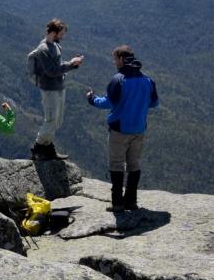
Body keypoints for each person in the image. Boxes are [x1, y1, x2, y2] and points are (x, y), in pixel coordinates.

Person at [86, 45, 159, 212]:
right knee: (134, 164)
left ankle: (117, 203)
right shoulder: (148, 80)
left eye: (115, 59)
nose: (114, 62)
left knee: (117, 165)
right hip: (139, 128)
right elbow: (154, 103)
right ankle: (131, 202)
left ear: (121, 59)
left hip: (119, 129)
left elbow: (107, 103)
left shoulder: (118, 80)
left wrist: (92, 99)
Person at [28, 18, 84, 161]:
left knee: (57, 121)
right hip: (49, 89)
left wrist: (73, 63)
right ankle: (37, 147)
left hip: (59, 87)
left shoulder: (56, 46)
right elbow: (51, 71)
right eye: (61, 33)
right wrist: (71, 64)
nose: (62, 37)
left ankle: (47, 147)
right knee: (51, 120)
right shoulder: (43, 49)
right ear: (54, 32)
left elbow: (58, 65)